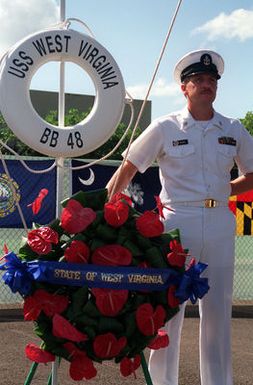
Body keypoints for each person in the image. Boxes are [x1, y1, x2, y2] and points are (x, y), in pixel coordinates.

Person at [106, 49, 253, 385]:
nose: (207, 84)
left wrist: (220, 191)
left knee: (217, 312)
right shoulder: (165, 127)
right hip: (176, 225)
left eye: (211, 80)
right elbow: (126, 170)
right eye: (199, 80)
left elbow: (252, 172)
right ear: (184, 88)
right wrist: (104, 212)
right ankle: (162, 382)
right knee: (167, 311)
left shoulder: (233, 128)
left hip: (218, 224)